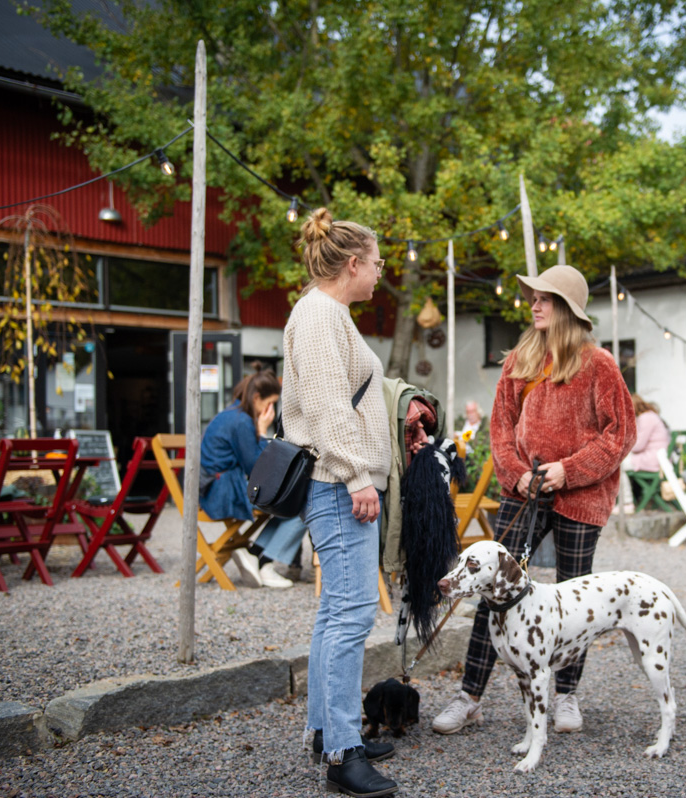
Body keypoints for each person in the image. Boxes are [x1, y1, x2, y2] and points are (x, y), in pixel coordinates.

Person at [432, 264, 636, 737]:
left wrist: (571, 469)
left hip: (581, 498)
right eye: (534, 297)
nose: (534, 304)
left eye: (544, 298)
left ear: (566, 308)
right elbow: (501, 429)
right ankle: (470, 697)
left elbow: (621, 433)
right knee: (492, 590)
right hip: (523, 492)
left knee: (574, 597)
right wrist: (517, 474)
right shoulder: (519, 360)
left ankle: (566, 697)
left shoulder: (598, 363)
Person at [282, 208, 397, 797]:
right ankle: (342, 755)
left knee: (336, 614)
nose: (380, 272)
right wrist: (357, 476)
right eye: (376, 263)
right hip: (336, 483)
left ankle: (327, 730)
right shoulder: (320, 314)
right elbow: (328, 404)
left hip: (334, 482)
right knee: (351, 616)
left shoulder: (326, 313)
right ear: (352, 264)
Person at [199, 368, 304, 589]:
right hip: (223, 493)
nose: (271, 409)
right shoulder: (242, 422)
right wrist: (262, 430)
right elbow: (257, 467)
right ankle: (265, 562)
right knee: (301, 507)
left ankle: (255, 555)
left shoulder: (233, 415)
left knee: (291, 505)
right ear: (257, 398)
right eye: (270, 403)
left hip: (218, 487)